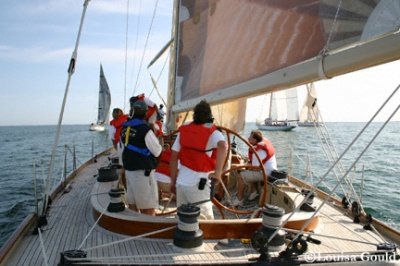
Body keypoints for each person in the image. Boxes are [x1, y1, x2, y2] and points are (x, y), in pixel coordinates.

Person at [169, 100, 228, 220]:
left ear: (194, 115)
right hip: (198, 185)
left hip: (181, 183)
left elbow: (173, 158)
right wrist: (218, 173)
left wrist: (173, 181)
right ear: (209, 116)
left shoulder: (184, 130)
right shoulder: (213, 132)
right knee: (205, 220)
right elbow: (223, 146)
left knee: (183, 218)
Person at [121, 100, 162, 215]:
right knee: (148, 208)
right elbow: (157, 151)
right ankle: (148, 229)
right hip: (142, 174)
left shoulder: (124, 129)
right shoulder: (145, 130)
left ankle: (134, 227)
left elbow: (122, 149)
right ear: (145, 114)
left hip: (129, 172)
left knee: (132, 205)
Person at [232, 130, 277, 206]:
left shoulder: (258, 151)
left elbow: (255, 167)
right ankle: (254, 192)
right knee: (247, 171)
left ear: (255, 140)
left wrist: (241, 166)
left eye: (250, 137)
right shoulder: (262, 144)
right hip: (270, 171)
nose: (248, 138)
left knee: (241, 175)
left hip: (265, 174)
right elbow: (255, 166)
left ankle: (239, 200)